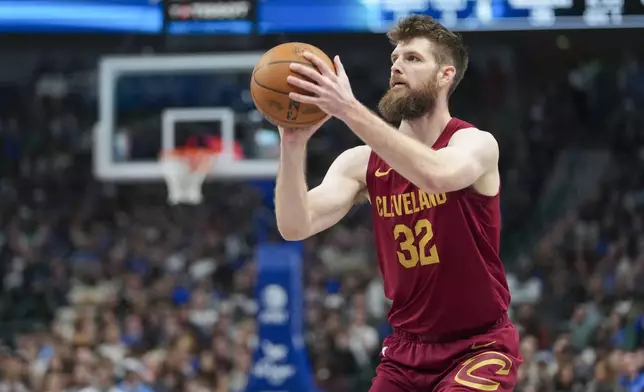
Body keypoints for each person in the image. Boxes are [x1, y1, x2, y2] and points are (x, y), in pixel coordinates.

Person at [274, 13, 522, 392]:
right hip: (406, 352)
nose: (397, 67)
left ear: (446, 75)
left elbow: (435, 174)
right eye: (395, 59)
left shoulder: (474, 143)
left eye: (413, 58)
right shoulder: (361, 163)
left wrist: (348, 109)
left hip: (479, 347)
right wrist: (292, 146)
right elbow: (294, 225)